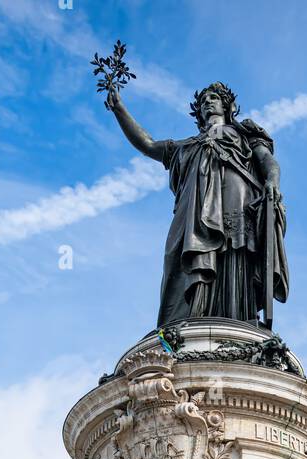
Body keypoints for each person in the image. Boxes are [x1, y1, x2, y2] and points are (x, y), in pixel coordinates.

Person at [105, 81, 289, 326]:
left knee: (234, 250)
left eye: (213, 98)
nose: (207, 103)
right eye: (203, 101)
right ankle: (192, 317)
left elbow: (268, 162)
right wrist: (120, 110)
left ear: (227, 105)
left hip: (237, 197)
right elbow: (147, 145)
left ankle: (237, 319)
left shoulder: (245, 136)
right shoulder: (187, 146)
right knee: (184, 255)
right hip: (194, 210)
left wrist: (273, 182)